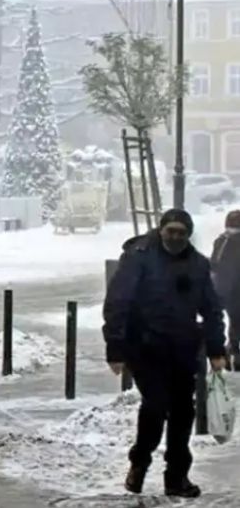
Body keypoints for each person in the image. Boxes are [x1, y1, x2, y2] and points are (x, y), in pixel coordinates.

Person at [103, 208, 227, 498]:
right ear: (161, 230)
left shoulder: (197, 265)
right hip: (144, 347)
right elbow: (118, 302)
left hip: (182, 348)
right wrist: (115, 348)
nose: (175, 237)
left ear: (188, 234)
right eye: (170, 231)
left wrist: (216, 349)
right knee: (156, 405)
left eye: (181, 233)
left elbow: (211, 309)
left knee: (183, 412)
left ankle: (177, 476)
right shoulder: (140, 257)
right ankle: (140, 464)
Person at [210, 209, 240, 369]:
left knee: (233, 321)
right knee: (235, 321)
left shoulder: (222, 241)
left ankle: (232, 351)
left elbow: (215, 264)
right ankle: (233, 351)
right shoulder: (225, 241)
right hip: (232, 290)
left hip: (224, 289)